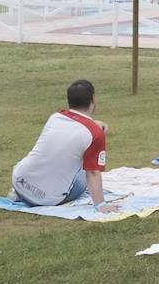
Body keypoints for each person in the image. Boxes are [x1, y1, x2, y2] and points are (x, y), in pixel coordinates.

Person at [10, 80, 121, 213]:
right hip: (48, 198)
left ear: (69, 101)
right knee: (83, 173)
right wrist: (100, 205)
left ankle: (21, 195)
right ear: (93, 99)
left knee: (31, 158)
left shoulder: (56, 117)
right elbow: (92, 172)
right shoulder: (95, 134)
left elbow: (74, 127)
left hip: (19, 182)